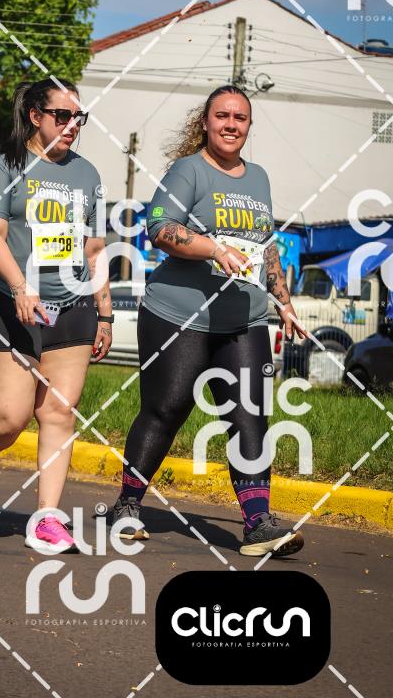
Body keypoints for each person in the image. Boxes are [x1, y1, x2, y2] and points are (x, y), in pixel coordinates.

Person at [111, 84, 308, 557]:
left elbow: (265, 248)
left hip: (244, 317)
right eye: (222, 116)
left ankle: (258, 524)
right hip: (179, 313)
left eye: (240, 118)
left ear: (249, 126)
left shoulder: (258, 178)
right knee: (168, 408)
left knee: (250, 416)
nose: (231, 124)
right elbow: (159, 227)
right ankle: (127, 505)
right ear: (205, 122)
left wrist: (283, 302)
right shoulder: (189, 170)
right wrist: (214, 249)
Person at [0, 78, 113, 553]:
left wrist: (104, 313)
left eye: (79, 117)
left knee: (58, 412)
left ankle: (47, 519)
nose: (73, 125)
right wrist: (20, 286)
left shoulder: (88, 174)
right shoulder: (5, 164)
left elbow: (94, 249)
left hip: (72, 305)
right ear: (36, 116)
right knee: (9, 419)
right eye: (63, 115)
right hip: (7, 302)